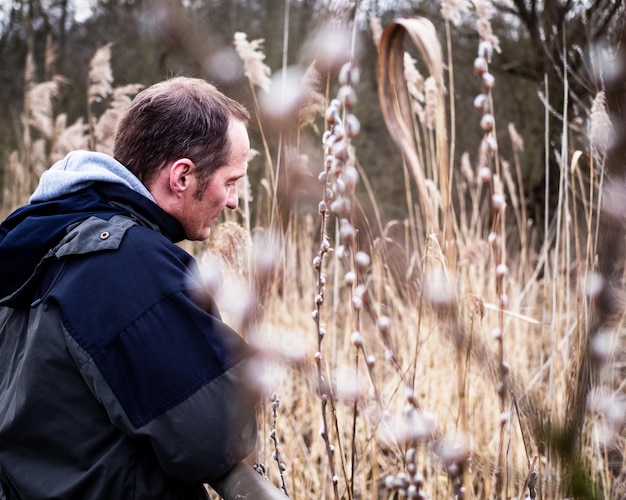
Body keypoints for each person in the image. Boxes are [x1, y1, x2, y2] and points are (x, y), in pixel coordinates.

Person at [0, 77, 284, 499]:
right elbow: (215, 435)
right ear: (182, 176)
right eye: (232, 180)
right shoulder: (125, 264)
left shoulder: (37, 241)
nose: (234, 201)